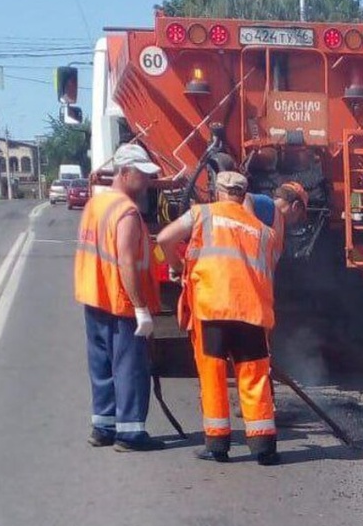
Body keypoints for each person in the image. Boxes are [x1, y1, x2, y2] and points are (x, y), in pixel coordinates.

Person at [156, 170, 285, 465]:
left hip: (212, 308)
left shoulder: (202, 214)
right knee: (254, 379)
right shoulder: (264, 232)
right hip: (252, 312)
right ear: (244, 196)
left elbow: (165, 238)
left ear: (217, 192)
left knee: (213, 377)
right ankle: (264, 447)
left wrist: (177, 266)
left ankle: (217, 445)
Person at [73, 143, 163, 452]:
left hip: (94, 297)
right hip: (121, 302)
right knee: (130, 368)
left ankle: (103, 426)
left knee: (101, 365)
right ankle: (131, 433)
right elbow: (126, 261)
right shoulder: (126, 212)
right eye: (143, 175)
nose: (149, 182)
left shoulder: (95, 205)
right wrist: (141, 309)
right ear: (124, 173)